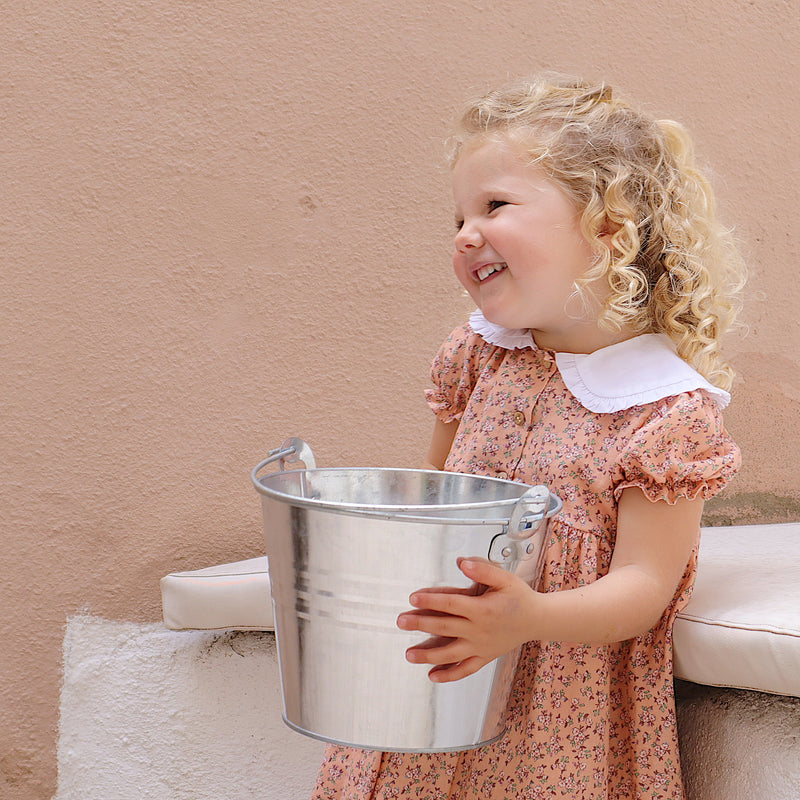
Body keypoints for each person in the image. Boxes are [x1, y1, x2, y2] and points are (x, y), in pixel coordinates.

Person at [311, 74, 744, 800]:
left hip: (556, 721)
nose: (463, 233)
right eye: (457, 215)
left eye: (495, 205)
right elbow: (435, 493)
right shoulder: (479, 356)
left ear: (609, 226)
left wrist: (529, 615)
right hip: (437, 685)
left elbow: (643, 585)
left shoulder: (664, 412)